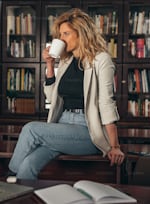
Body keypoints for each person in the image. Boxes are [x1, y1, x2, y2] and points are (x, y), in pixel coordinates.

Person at [8, 8, 124, 180]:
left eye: (66, 33)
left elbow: (107, 103)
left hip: (88, 130)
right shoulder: (66, 61)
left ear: (82, 33)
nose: (61, 39)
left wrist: (114, 146)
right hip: (62, 126)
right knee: (29, 164)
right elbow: (52, 97)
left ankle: (7, 179)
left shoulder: (101, 60)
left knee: (30, 129)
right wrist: (49, 65)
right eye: (60, 34)